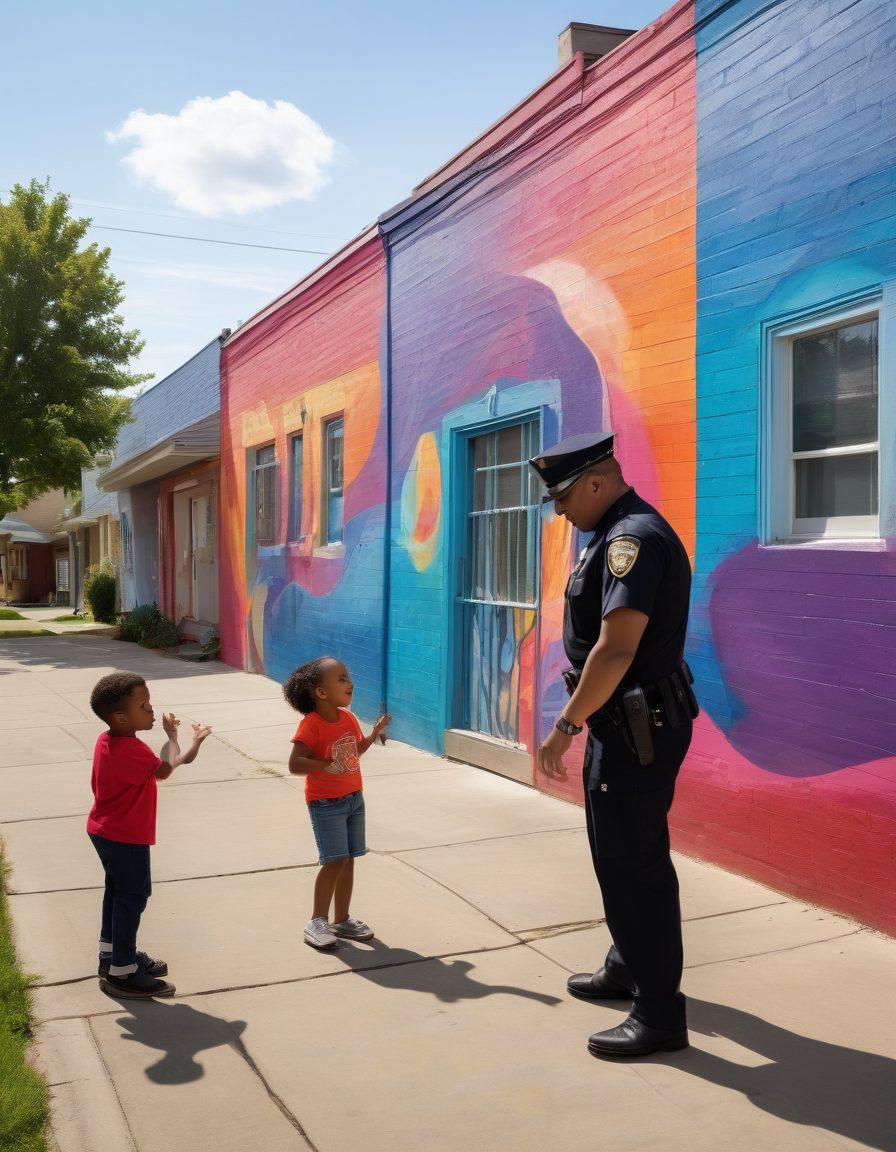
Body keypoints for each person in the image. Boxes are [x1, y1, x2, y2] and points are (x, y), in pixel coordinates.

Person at [529, 432, 698, 1058]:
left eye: (564, 498)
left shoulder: (633, 540)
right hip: (624, 724)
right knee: (618, 854)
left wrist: (565, 725)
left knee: (634, 865)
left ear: (597, 483)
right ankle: (628, 963)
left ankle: (659, 1014)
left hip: (636, 729)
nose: (559, 511)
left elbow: (617, 648)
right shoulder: (609, 533)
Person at [87, 672, 211, 999]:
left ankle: (112, 956)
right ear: (121, 717)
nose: (151, 709)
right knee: (132, 897)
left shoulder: (106, 739)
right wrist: (180, 738)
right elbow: (167, 769)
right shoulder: (132, 750)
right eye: (144, 706)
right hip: (125, 836)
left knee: (117, 894)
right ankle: (123, 972)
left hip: (105, 830)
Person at [284, 657, 391, 950]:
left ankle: (341, 919)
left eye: (348, 677)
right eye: (341, 679)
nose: (350, 683)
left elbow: (354, 751)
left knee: (348, 859)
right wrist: (325, 765)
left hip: (354, 797)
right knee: (334, 860)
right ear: (321, 692)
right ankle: (316, 921)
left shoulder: (348, 718)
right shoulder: (311, 725)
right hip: (326, 803)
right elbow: (295, 764)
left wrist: (373, 734)